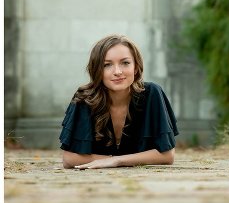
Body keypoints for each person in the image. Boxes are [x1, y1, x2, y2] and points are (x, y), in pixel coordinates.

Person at [59, 34, 178, 169]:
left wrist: (115, 161)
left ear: (136, 67)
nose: (117, 71)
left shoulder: (152, 93)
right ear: (97, 70)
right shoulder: (85, 98)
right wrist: (119, 160)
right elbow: (69, 159)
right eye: (107, 65)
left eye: (125, 63)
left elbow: (167, 156)